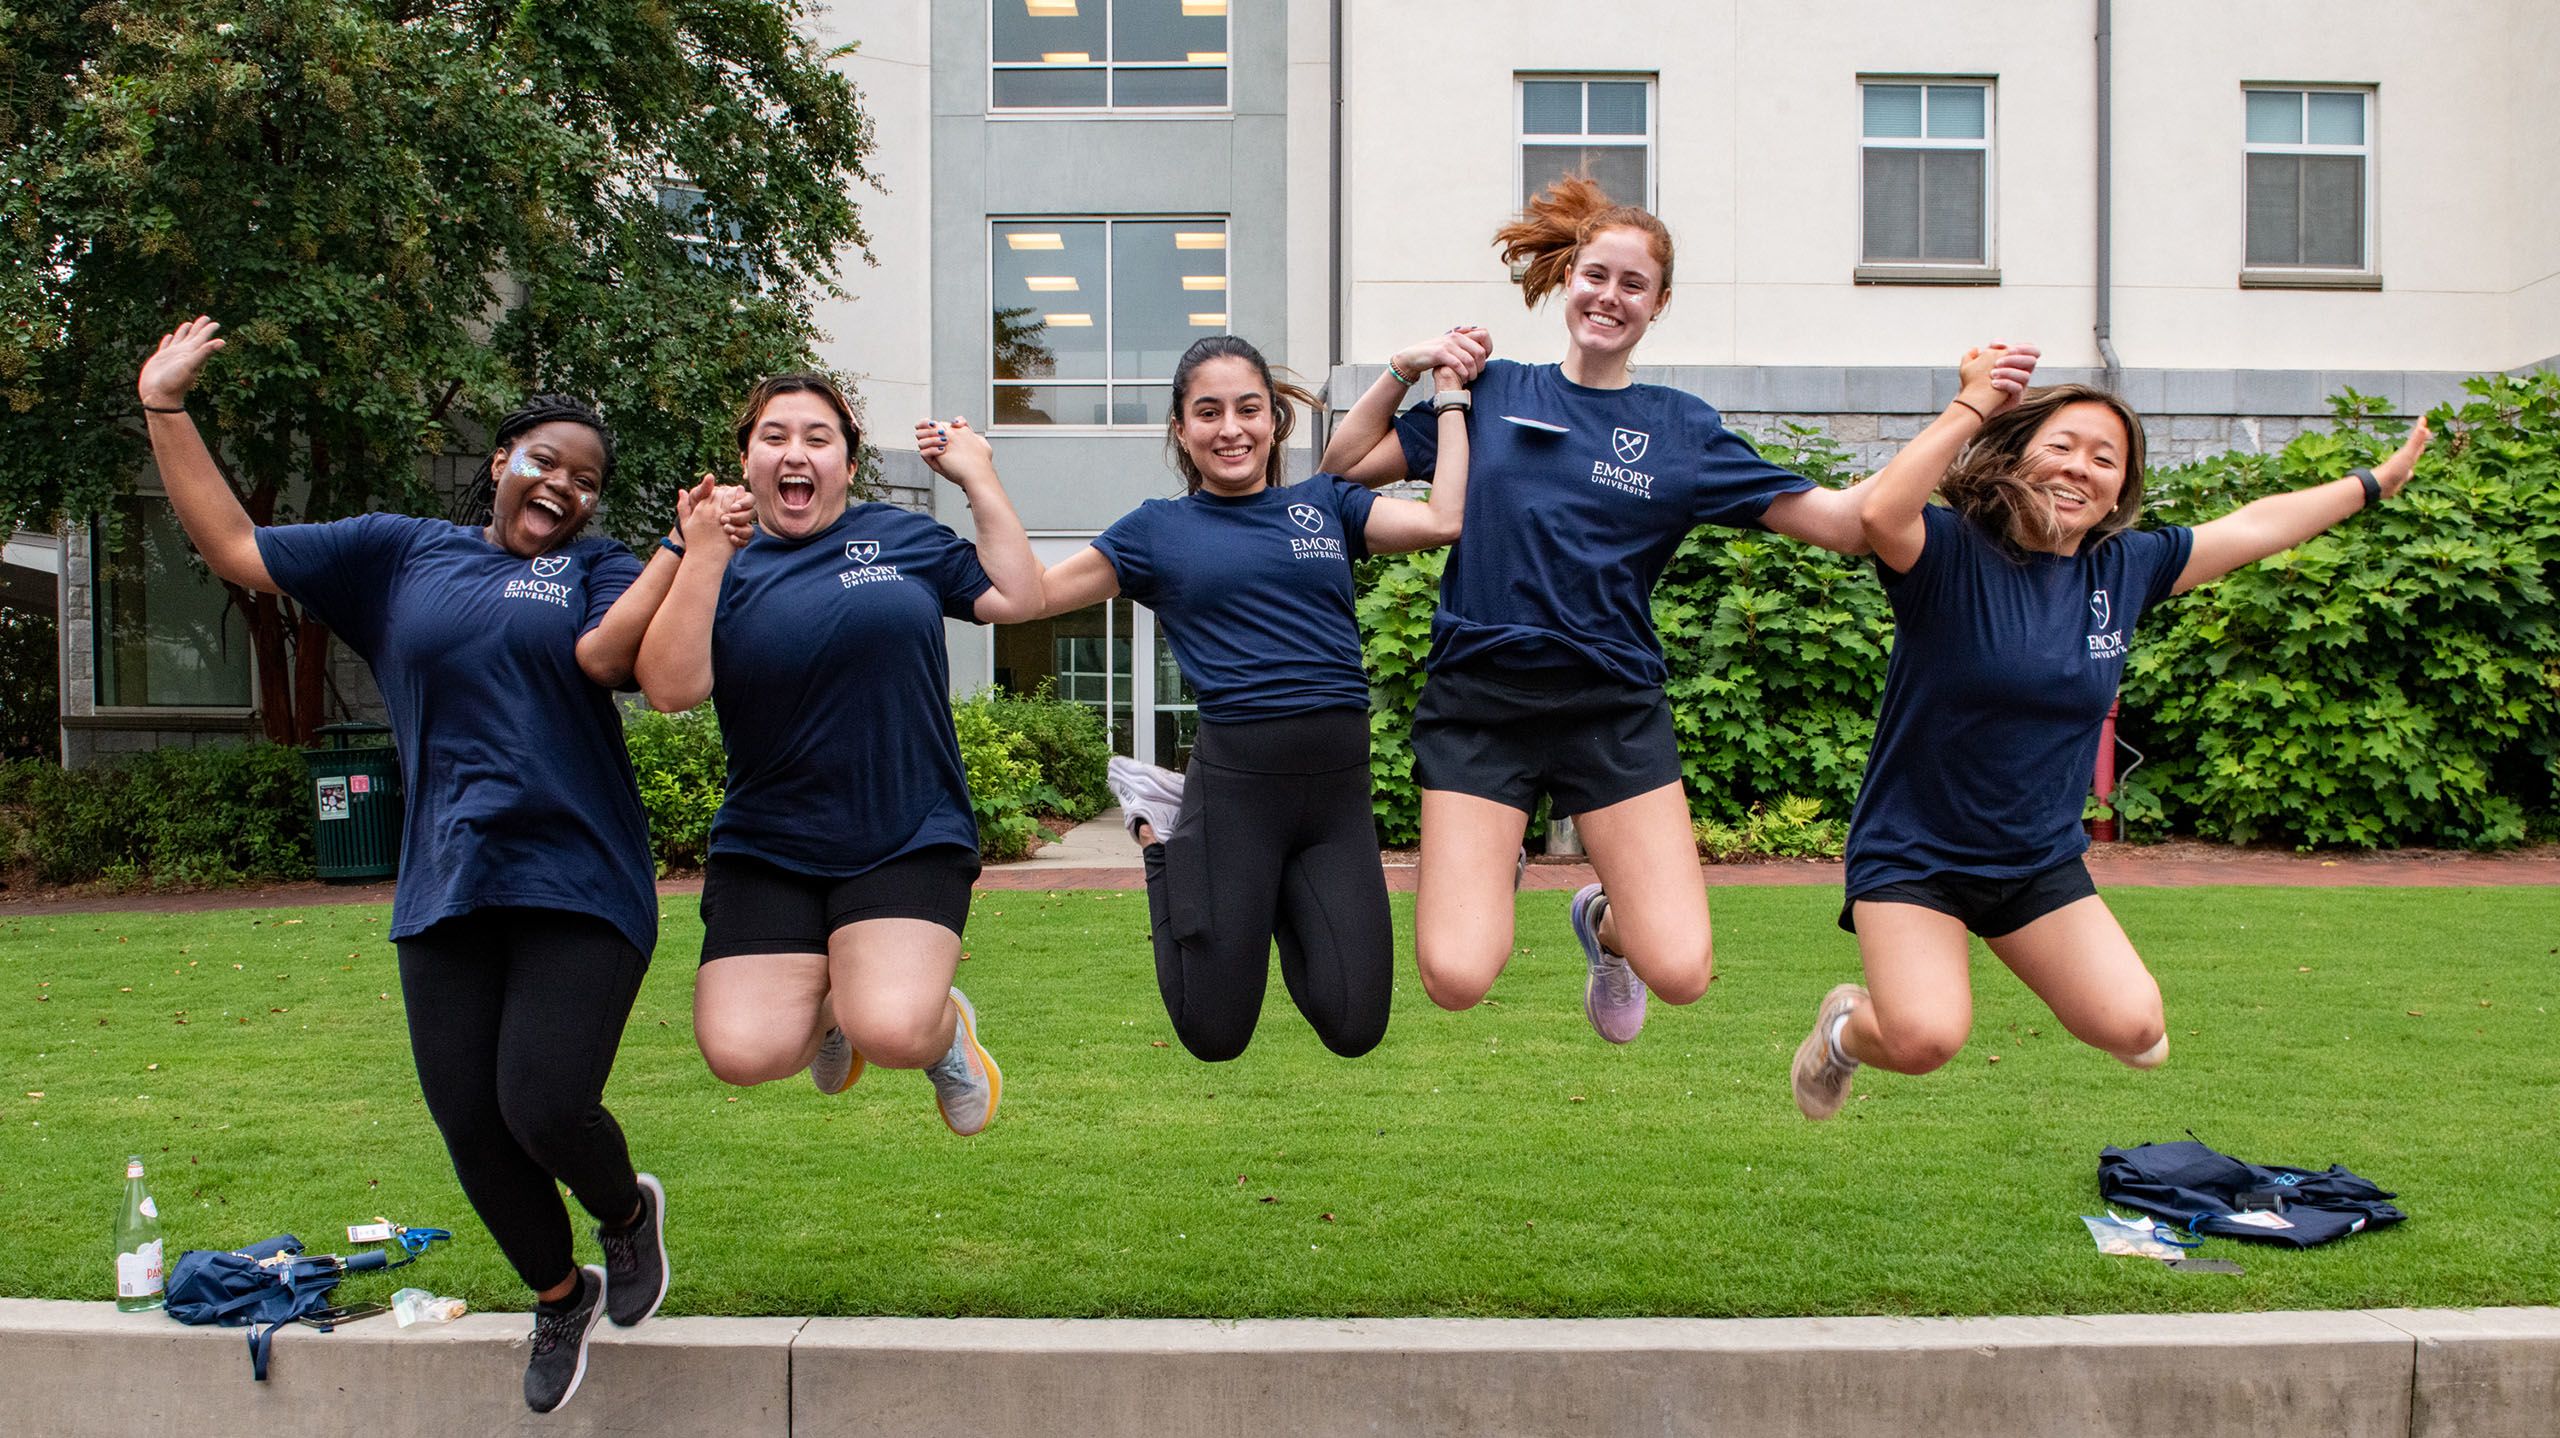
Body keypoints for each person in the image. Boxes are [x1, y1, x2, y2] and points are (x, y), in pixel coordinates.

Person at [136, 316, 750, 1413]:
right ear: (499, 465)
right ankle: (561, 1291)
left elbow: (622, 660)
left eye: (588, 477)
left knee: (542, 1101)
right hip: (447, 885)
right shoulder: (399, 554)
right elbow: (235, 549)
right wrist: (165, 407)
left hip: (579, 878)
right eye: (544, 460)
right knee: (471, 1122)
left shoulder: (601, 568)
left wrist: (683, 549)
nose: (564, 485)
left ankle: (622, 1210)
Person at [1318, 175, 2025, 1043]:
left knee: (1682, 973)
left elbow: (1847, 523)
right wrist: (1409, 366)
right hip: (1480, 703)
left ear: (1659, 304)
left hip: (1610, 707)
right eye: (1597, 276)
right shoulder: (1494, 392)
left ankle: (1603, 926)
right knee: (1458, 979)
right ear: (1569, 277)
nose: (1609, 297)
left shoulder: (1681, 430)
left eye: (1633, 285)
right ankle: (1494, 868)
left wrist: (1967, 410)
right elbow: (1344, 467)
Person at [1788, 352, 2433, 1118]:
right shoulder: (1945, 549)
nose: (2079, 469)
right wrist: (1972, 405)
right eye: (2060, 446)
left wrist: (2375, 482)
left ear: (2120, 490)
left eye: (2104, 459)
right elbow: (1875, 516)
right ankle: (1843, 1030)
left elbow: (2257, 525)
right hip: (1916, 853)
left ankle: (1954, 994)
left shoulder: (2122, 569)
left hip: (2035, 860)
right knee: (1925, 1038)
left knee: (2139, 1031)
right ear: (2017, 451)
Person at [918, 335, 1469, 1060]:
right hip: (1238, 791)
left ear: (1274, 419)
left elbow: (1442, 519)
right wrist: (978, 476)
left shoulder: (1325, 505)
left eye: (1248, 408)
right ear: (1181, 429)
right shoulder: (1158, 531)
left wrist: (1449, 394)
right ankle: (1160, 833)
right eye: (1207, 413)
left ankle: (1260, 894)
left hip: (1336, 797)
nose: (1230, 428)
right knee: (1214, 1033)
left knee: (1354, 1024)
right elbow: (1035, 595)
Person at [634, 373, 1044, 1136]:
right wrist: (701, 556)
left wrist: (977, 475)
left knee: (890, 1027)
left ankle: (943, 1033)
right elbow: (668, 688)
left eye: (819, 439)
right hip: (769, 844)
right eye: (775, 437)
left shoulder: (902, 538)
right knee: (742, 1053)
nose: (797, 453)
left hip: (906, 832)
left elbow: (1019, 598)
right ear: (748, 461)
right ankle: (830, 1011)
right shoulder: (719, 560)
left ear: (848, 465)